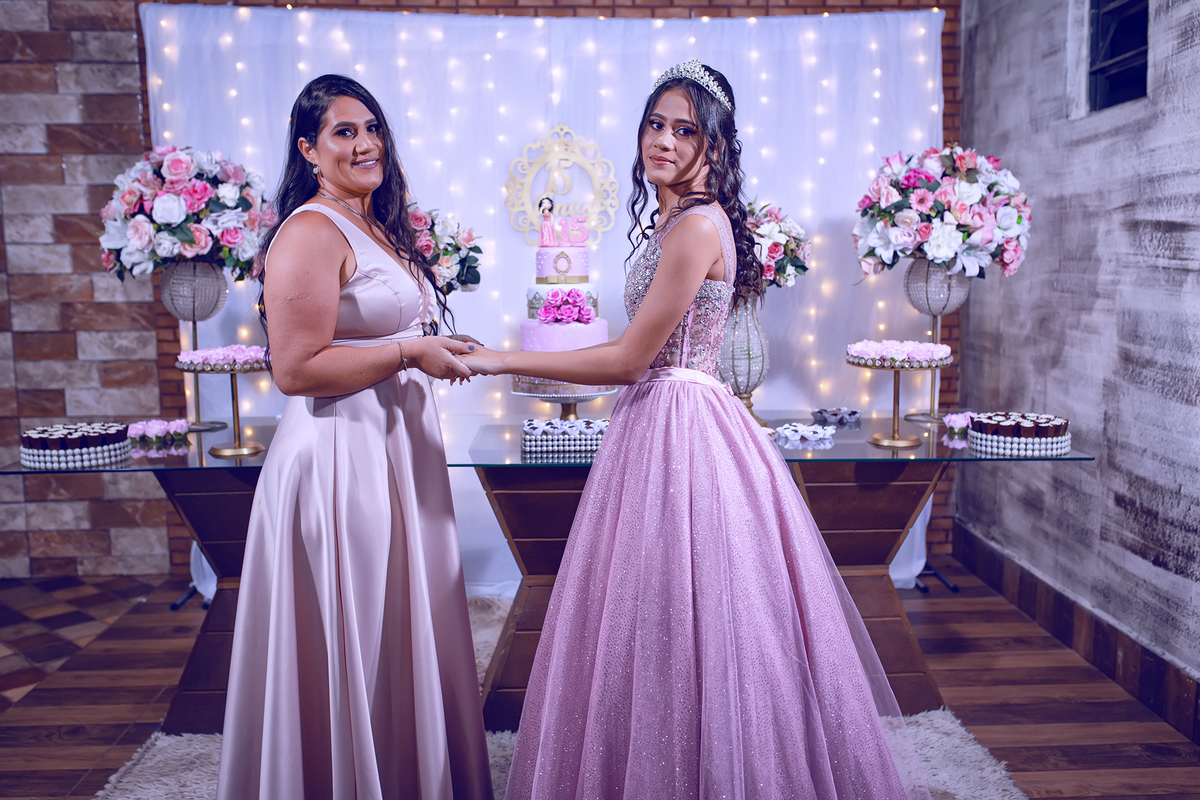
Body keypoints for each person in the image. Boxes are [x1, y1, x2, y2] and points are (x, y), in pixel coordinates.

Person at [462, 60, 931, 799]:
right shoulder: (678, 221)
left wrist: (499, 359)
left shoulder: (695, 227)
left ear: (715, 144)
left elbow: (629, 360)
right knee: (658, 610)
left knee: (684, 610)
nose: (665, 141)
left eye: (686, 130)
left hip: (678, 425)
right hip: (663, 417)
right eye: (656, 124)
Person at [216, 74, 493, 800]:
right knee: (359, 623)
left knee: (398, 622)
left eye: (372, 129)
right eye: (344, 132)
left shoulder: (371, 224)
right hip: (343, 456)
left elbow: (379, 326)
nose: (366, 143)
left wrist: (431, 343)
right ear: (308, 149)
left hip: (393, 449)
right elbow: (295, 369)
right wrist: (408, 352)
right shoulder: (310, 231)